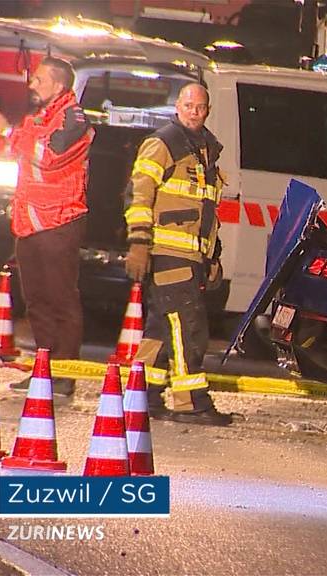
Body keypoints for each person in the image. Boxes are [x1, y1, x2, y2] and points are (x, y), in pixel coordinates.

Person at [0, 57, 93, 396]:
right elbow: (12, 150)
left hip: (59, 221)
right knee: (37, 301)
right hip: (31, 222)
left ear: (58, 85)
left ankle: (64, 373)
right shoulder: (39, 119)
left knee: (61, 299)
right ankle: (45, 371)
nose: (32, 85)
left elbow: (48, 156)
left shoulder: (75, 119)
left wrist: (6, 129)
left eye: (39, 80)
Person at [124, 83, 231, 427]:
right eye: (188, 105)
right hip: (167, 252)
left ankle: (143, 396)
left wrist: (212, 257)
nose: (194, 112)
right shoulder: (163, 143)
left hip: (190, 257)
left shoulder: (205, 149)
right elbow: (138, 195)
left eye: (200, 107)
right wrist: (139, 243)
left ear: (208, 110)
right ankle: (191, 402)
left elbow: (206, 211)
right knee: (187, 327)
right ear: (178, 106)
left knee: (159, 328)